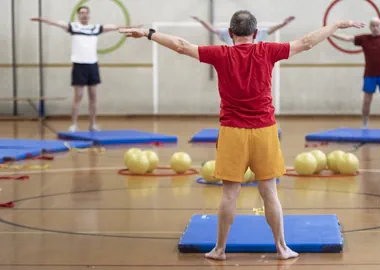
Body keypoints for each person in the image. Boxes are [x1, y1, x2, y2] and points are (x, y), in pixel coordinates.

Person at [119, 10, 362, 260]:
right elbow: (307, 42)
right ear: (255, 33)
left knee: (229, 194)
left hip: (232, 133)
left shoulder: (221, 54)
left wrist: (148, 33)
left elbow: (181, 46)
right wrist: (336, 24)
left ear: (230, 33)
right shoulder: (267, 50)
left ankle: (220, 249)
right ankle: (281, 248)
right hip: (264, 131)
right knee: (269, 192)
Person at [31, 6, 141, 132]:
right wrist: (41, 19)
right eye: (81, 13)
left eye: (85, 13)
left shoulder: (95, 28)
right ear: (78, 15)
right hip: (79, 65)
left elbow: (115, 27)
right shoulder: (74, 27)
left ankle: (93, 124)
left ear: (89, 15)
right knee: (78, 96)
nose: (83, 15)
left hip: (92, 65)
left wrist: (133, 26)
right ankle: (73, 124)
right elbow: (57, 23)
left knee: (93, 96)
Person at [191, 15, 295, 45]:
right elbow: (212, 29)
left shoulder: (256, 32)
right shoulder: (227, 32)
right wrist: (201, 21)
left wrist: (282, 23)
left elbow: (269, 30)